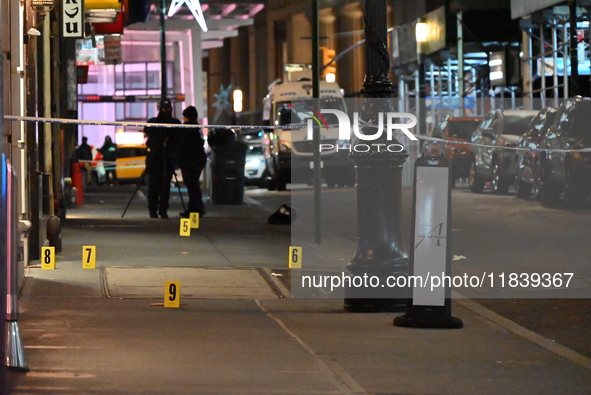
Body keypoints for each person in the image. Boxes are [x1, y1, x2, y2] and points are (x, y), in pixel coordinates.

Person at [144, 99, 181, 219]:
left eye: (168, 108)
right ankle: (153, 209)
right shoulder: (153, 123)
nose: (167, 111)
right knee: (154, 184)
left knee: (165, 185)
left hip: (167, 157)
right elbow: (148, 132)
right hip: (155, 158)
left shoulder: (174, 123)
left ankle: (163, 209)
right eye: (164, 109)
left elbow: (177, 138)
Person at [176, 106, 207, 218]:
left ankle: (195, 208)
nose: (183, 118)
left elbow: (182, 145)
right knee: (193, 185)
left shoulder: (187, 129)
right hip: (198, 159)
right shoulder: (197, 128)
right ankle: (195, 207)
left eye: (184, 116)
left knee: (192, 185)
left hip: (190, 160)